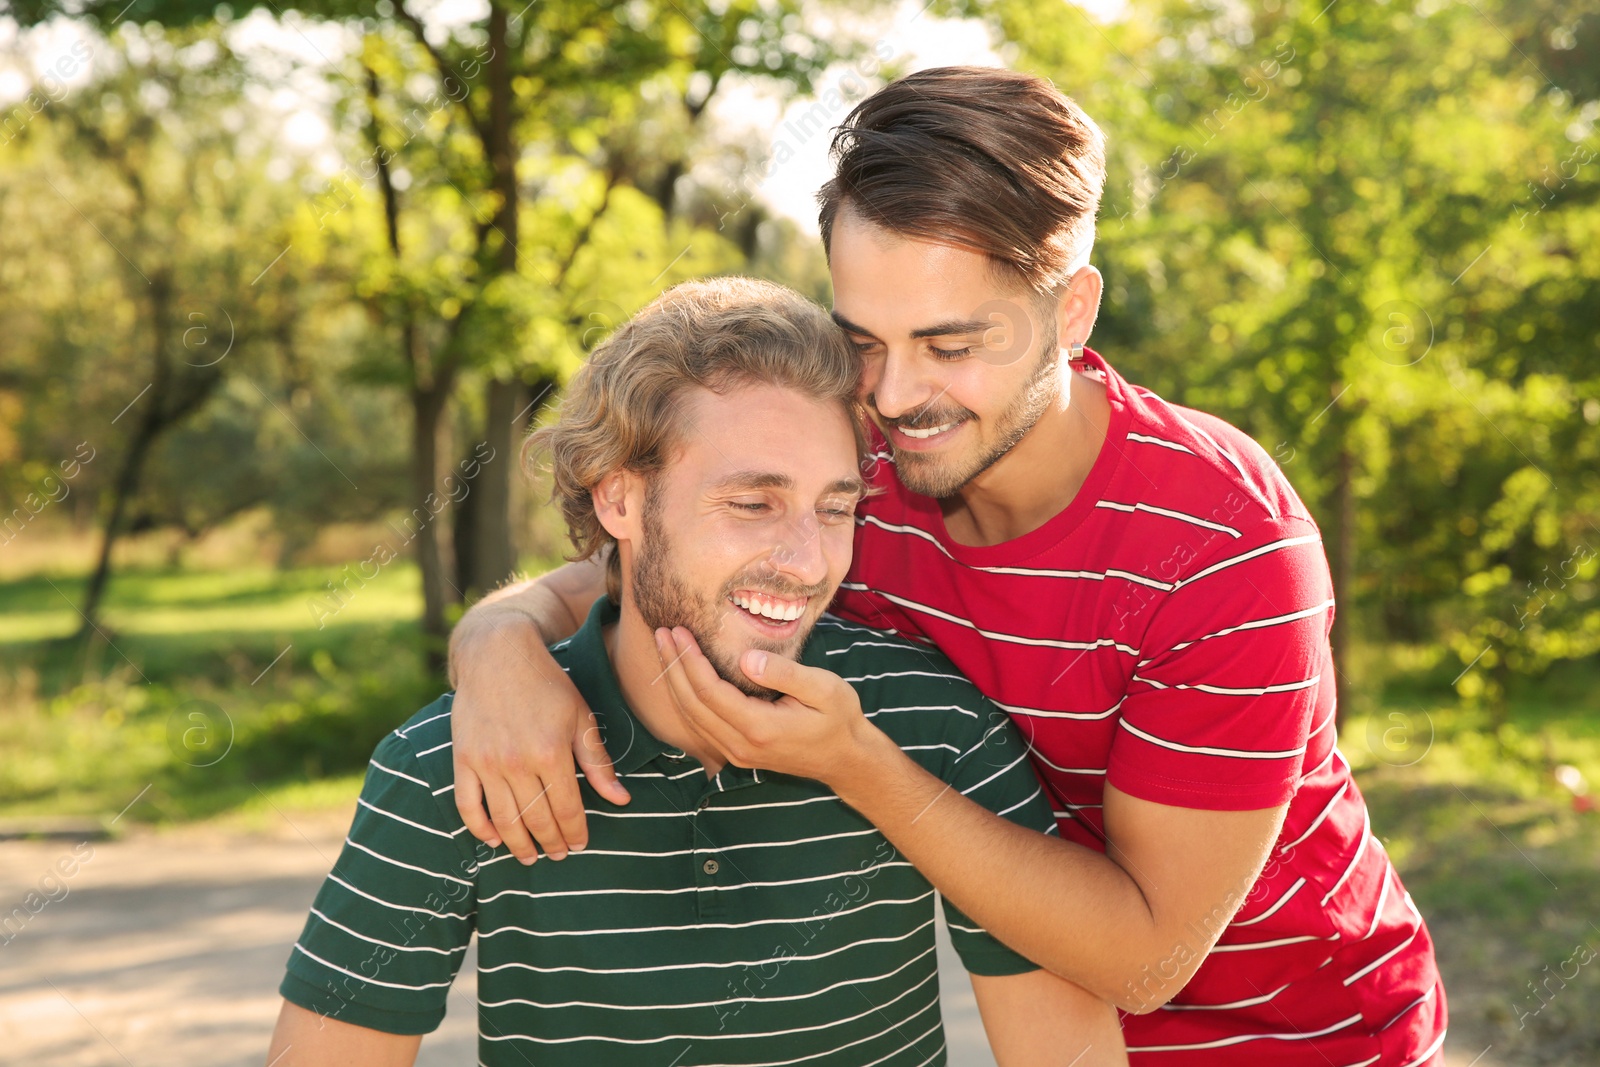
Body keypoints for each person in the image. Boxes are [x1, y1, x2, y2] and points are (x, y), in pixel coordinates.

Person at [444, 67, 1448, 1066]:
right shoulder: (857, 480)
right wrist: (496, 639)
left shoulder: (1222, 542)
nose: (892, 395)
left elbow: (1146, 959)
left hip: (1310, 1035)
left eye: (949, 343)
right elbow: (641, 569)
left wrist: (857, 764)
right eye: (861, 341)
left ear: (1071, 313)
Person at [266, 277, 1127, 1066]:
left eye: (835, 508)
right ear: (619, 499)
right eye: (752, 503)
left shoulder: (935, 722)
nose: (804, 560)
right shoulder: (456, 762)